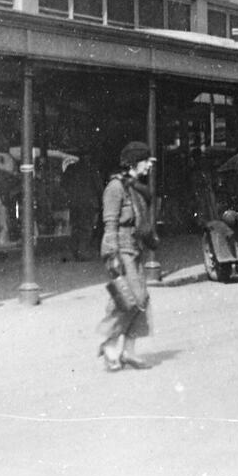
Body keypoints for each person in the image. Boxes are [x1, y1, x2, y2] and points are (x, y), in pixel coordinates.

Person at [97, 141, 157, 372]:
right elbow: (110, 223)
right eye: (145, 162)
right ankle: (110, 346)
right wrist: (111, 254)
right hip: (121, 248)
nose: (148, 167)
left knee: (141, 299)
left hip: (135, 246)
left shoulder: (134, 186)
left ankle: (128, 351)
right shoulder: (115, 188)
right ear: (134, 162)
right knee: (128, 298)